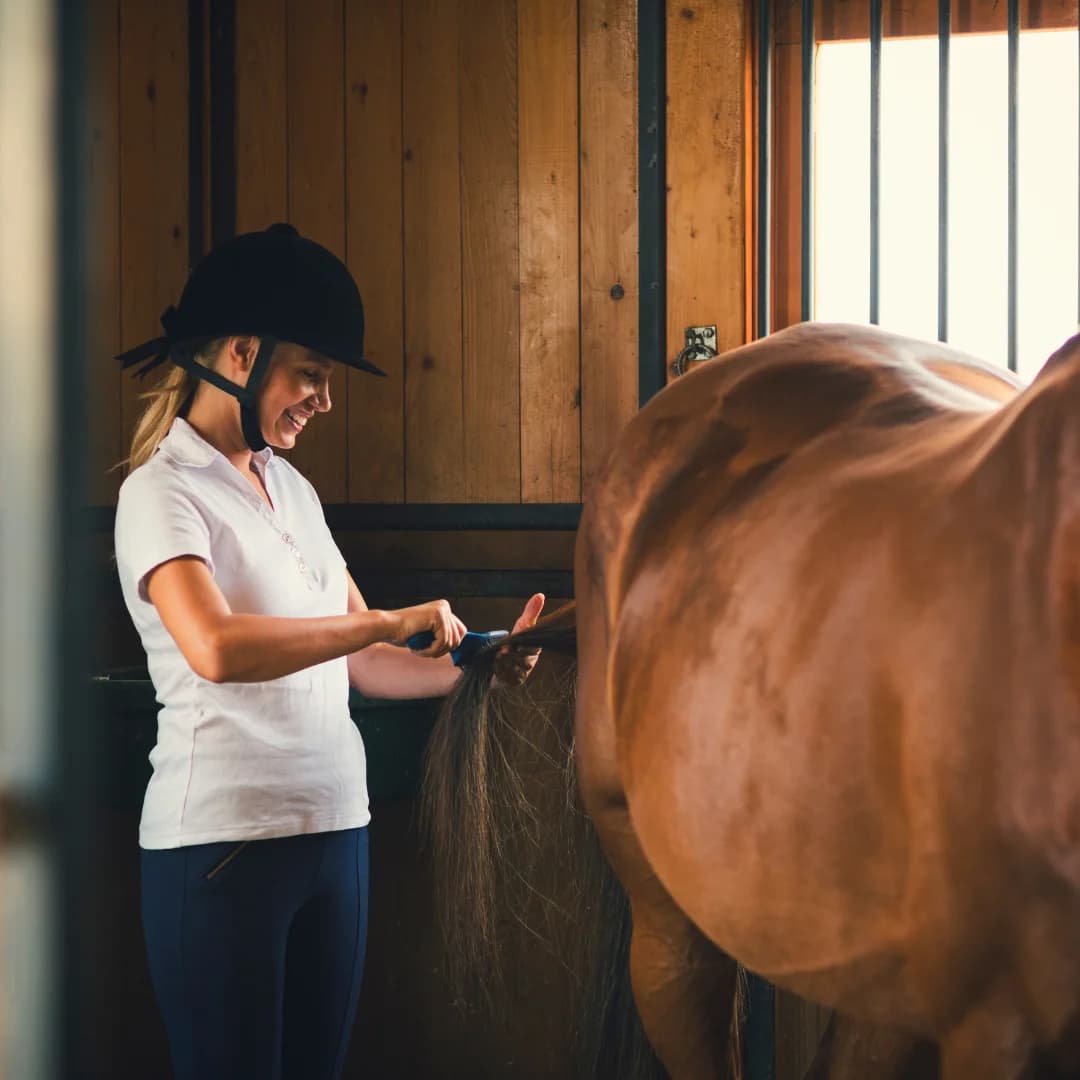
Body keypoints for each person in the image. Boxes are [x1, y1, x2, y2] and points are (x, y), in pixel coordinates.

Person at [112, 223, 544, 1080]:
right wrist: (382, 620)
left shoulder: (294, 489)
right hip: (221, 848)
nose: (325, 398)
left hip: (337, 831)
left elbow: (362, 665)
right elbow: (218, 647)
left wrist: (474, 671)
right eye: (310, 373)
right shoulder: (160, 492)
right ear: (241, 353)